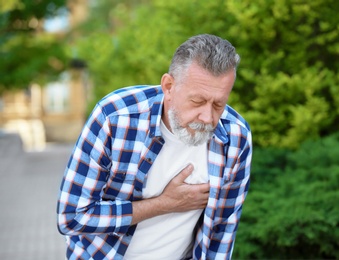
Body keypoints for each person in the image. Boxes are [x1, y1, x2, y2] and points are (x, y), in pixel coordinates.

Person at [57, 34, 252, 260]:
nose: (208, 117)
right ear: (168, 86)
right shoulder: (115, 118)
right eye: (197, 102)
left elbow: (221, 231)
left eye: (219, 104)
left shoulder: (235, 137)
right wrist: (164, 204)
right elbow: (71, 217)